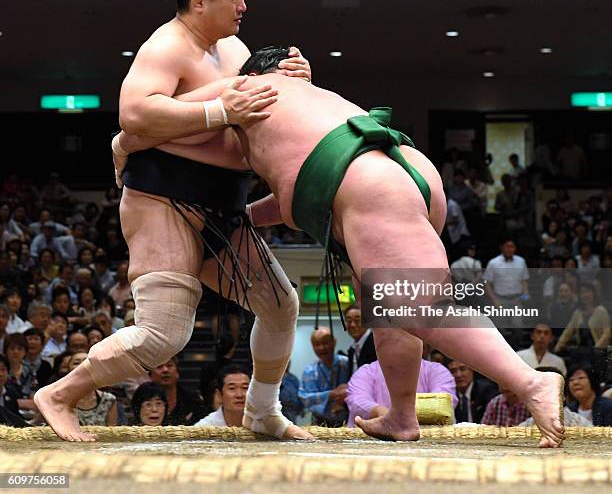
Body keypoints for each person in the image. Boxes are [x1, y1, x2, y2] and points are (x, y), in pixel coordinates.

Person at [116, 45, 566, 446]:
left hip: (365, 182)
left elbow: (148, 116)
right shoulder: (312, 95)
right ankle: (402, 417)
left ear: (252, 76)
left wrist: (123, 144)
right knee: (391, 313)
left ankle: (530, 383)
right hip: (403, 168)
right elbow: (297, 188)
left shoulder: (243, 91)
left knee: (416, 305)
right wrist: (245, 219)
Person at [34, 0, 312, 442]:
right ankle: (59, 394)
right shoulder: (166, 45)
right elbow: (135, 114)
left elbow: (246, 108)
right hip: (163, 196)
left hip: (223, 201)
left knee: (280, 305)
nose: (245, 4)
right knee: (164, 334)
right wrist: (217, 110)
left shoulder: (233, 49)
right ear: (200, 0)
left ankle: (262, 412)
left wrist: (291, 86)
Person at [345, 358, 456, 427]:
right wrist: (381, 412)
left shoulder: (436, 371)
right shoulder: (366, 371)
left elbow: (442, 403)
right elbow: (357, 400)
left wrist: (399, 416)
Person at [299, 327, 350, 427]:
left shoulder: (347, 364)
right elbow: (305, 398)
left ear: (334, 342)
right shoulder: (310, 370)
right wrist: (331, 395)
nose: (321, 348)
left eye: (325, 343)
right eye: (317, 344)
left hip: (348, 422)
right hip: (319, 423)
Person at [149, 357, 205, 425]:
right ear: (150, 375)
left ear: (177, 373)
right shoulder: (144, 397)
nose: (165, 370)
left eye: (169, 365)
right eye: (159, 366)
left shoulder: (192, 397)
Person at [448, 360, 498, 424]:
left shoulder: (487, 390)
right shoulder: (449, 395)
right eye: (453, 371)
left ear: (472, 370)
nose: (458, 375)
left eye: (463, 369)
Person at [344, 304, 376, 377]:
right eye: (349, 321)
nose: (352, 325)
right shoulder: (352, 350)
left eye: (357, 320)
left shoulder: (375, 344)